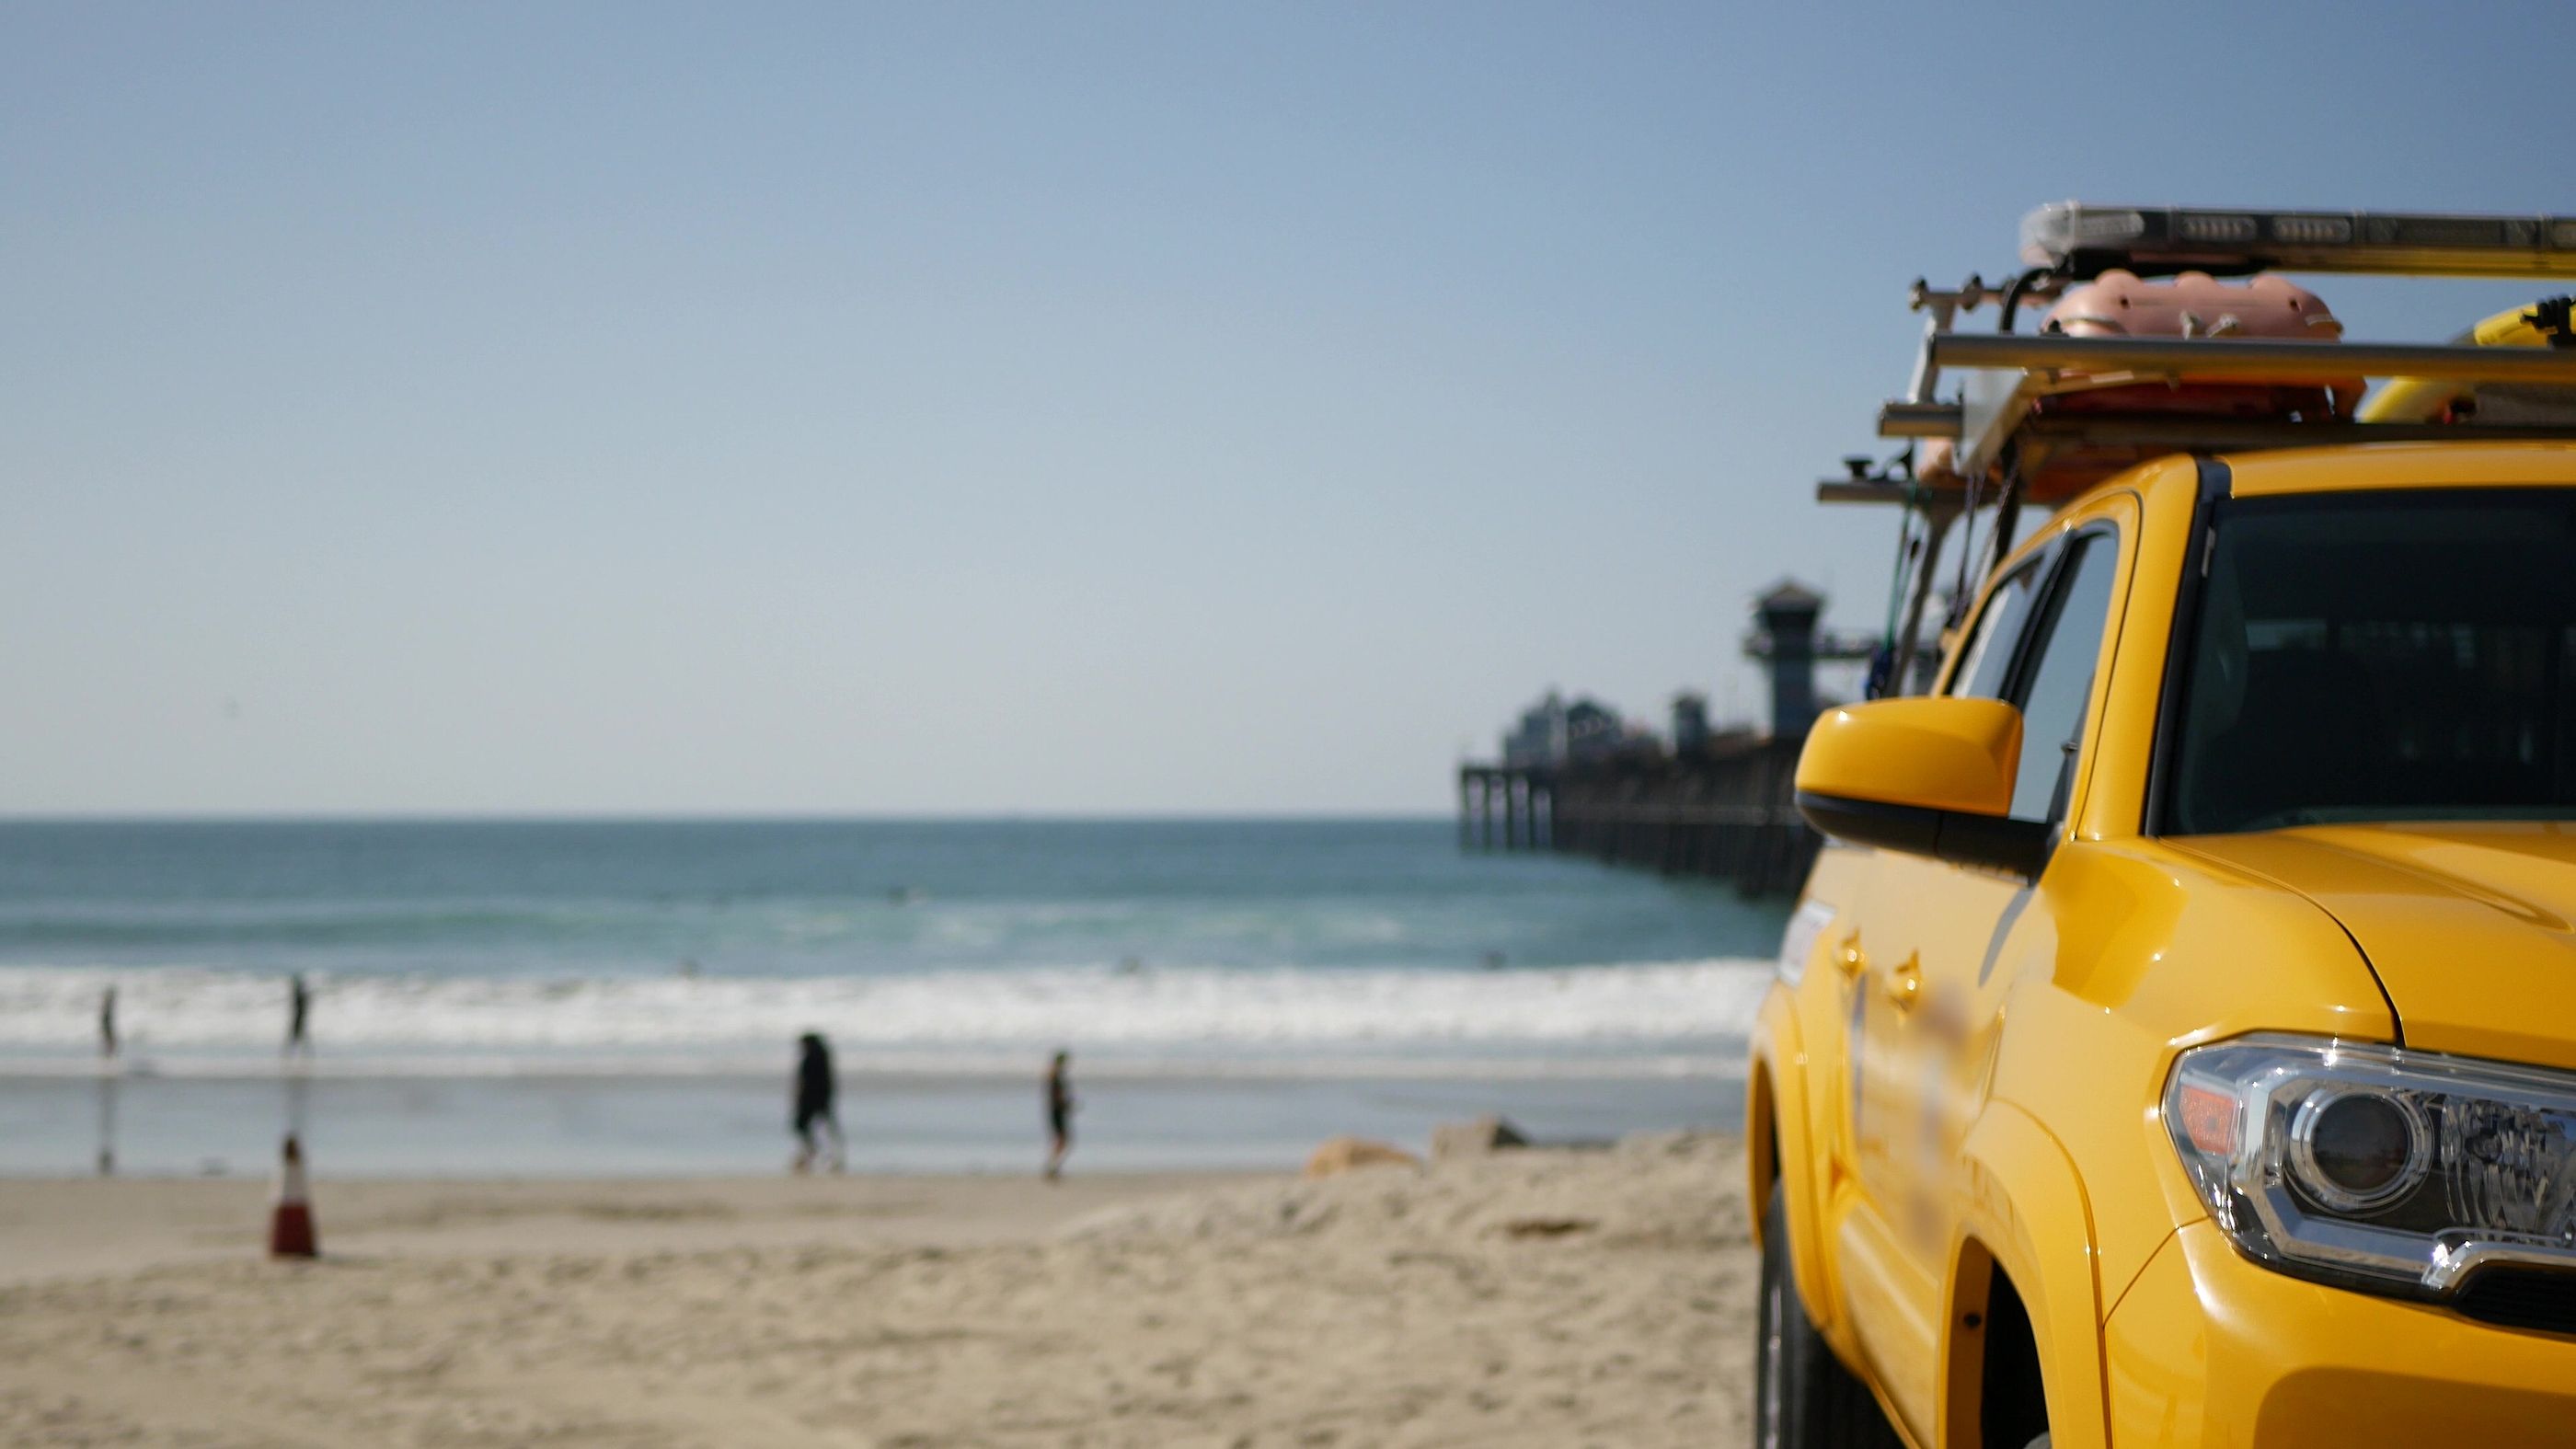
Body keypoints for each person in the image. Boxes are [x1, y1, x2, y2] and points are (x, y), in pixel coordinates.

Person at [791, 1032, 845, 1173]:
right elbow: (830, 1082)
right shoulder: (823, 1057)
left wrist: (799, 1098)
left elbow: (804, 1082)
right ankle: (830, 1156)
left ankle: (812, 1153)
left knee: (802, 1125)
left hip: (811, 1098)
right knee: (828, 1127)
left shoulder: (811, 1058)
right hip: (822, 1097)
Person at [1043, 1050, 1075, 1181]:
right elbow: (1057, 1096)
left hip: (1056, 1110)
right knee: (1062, 1140)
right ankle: (1052, 1167)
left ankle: (1053, 1167)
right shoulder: (1055, 1076)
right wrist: (1066, 1105)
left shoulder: (1055, 1075)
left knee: (1062, 1141)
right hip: (1057, 1111)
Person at [284, 973, 312, 1057]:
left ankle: (302, 1052)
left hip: (299, 1018)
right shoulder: (301, 996)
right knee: (298, 1035)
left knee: (296, 1035)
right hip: (299, 1017)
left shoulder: (299, 996)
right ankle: (303, 1052)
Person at [98, 986, 117, 1059]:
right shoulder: (107, 1004)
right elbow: (105, 1016)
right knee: (109, 1038)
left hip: (107, 1023)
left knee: (108, 1038)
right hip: (107, 1024)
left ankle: (108, 1053)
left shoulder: (106, 1004)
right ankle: (108, 1054)